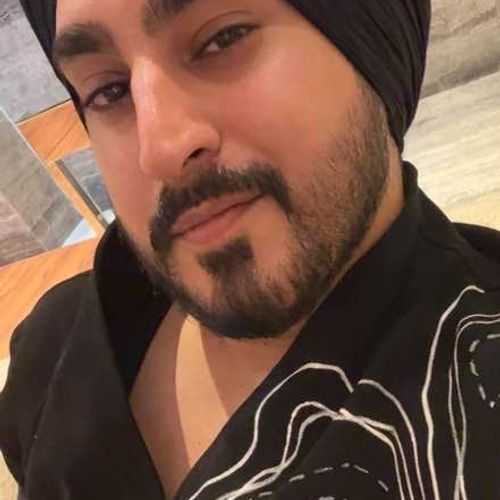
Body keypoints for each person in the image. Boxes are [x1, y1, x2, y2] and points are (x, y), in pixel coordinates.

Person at [1, 0, 500, 498]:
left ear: (369, 39)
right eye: (109, 91)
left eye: (222, 39)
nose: (161, 149)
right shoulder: (54, 352)